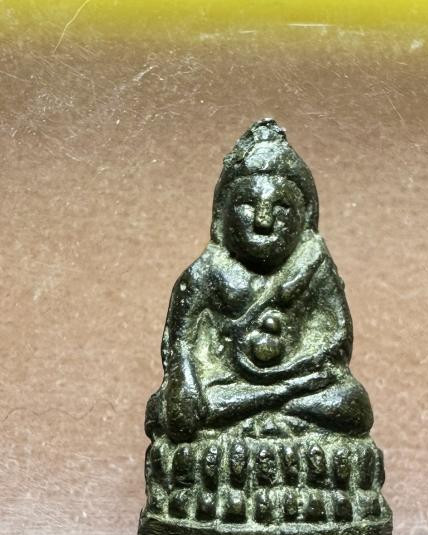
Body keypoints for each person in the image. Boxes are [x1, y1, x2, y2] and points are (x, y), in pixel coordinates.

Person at [145, 119, 373, 443]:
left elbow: (337, 339)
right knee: (179, 415)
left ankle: (271, 402)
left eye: (281, 208)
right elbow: (180, 346)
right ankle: (276, 401)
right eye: (247, 205)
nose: (263, 221)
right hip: (227, 385)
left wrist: (295, 370)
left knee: (352, 404)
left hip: (300, 380)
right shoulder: (204, 274)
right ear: (222, 215)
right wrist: (185, 383)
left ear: (305, 217)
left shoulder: (315, 268)